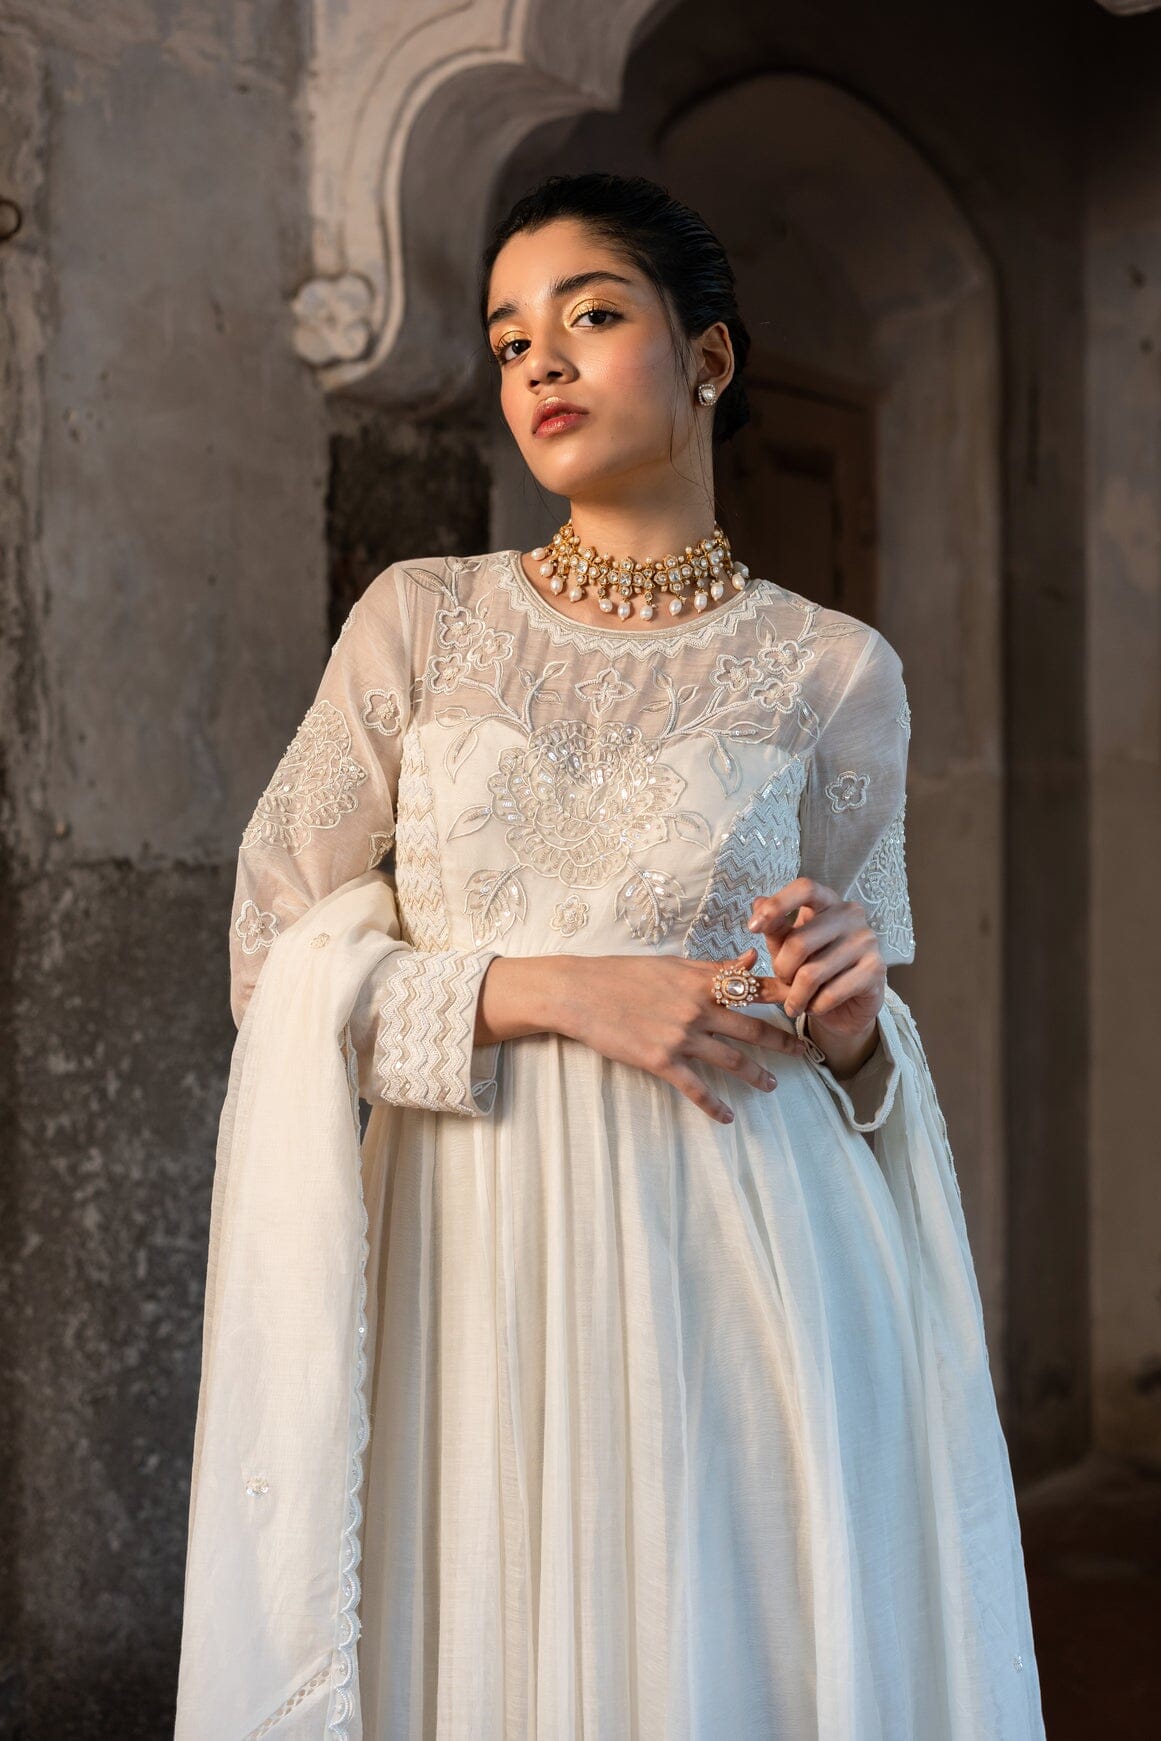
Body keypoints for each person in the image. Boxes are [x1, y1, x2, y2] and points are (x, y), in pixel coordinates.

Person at [175, 172, 1046, 1739]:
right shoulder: (421, 623)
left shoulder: (836, 671)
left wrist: (852, 1015)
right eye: (510, 341)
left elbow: (852, 1042)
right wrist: (547, 988)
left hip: (752, 1261)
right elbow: (270, 963)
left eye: (587, 315)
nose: (541, 365)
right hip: (472, 1258)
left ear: (707, 355)